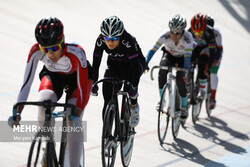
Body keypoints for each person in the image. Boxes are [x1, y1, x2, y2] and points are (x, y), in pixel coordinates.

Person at [8, 17, 92, 167]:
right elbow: (26, 83)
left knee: (73, 121)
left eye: (54, 48)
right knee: (43, 102)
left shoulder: (77, 52)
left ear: (62, 42)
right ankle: (48, 144)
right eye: (45, 49)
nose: (50, 54)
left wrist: (76, 113)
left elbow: (82, 87)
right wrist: (18, 111)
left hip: (77, 80)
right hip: (54, 76)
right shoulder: (35, 51)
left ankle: (74, 164)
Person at [91, 16, 146, 127]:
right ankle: (107, 134)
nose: (110, 42)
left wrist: (134, 88)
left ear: (120, 36)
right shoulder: (100, 40)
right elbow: (95, 64)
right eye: (107, 38)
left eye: (115, 39)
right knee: (107, 96)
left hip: (133, 64)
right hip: (114, 64)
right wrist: (93, 83)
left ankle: (134, 106)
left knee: (129, 90)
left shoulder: (128, 40)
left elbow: (135, 68)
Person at [146, 14, 194, 121]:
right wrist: (145, 63)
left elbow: (187, 59)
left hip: (183, 58)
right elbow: (153, 50)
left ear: (182, 32)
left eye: (177, 33)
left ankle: (184, 106)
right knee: (162, 72)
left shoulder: (188, 39)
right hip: (169, 56)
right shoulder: (165, 36)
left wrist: (186, 73)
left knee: (181, 80)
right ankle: (162, 100)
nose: (174, 35)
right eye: (172, 32)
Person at [189, 13, 222, 109]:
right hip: (197, 48)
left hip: (213, 52)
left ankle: (212, 97)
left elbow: (217, 51)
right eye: (196, 33)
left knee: (212, 71)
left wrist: (210, 67)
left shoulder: (215, 33)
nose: (198, 35)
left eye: (200, 33)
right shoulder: (191, 31)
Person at [206, 14, 223, 109]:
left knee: (213, 72)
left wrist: (216, 61)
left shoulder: (217, 34)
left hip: (216, 53)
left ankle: (212, 97)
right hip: (206, 51)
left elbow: (219, 50)